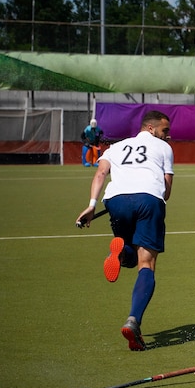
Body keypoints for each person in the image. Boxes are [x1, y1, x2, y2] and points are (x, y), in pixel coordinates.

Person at [76, 110, 174, 351]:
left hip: (115, 200)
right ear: (151, 129)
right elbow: (166, 188)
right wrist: (153, 202)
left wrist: (91, 206)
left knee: (129, 253)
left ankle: (120, 254)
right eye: (165, 131)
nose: (168, 136)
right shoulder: (164, 149)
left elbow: (101, 173)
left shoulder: (116, 147)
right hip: (149, 199)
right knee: (146, 264)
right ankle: (133, 321)